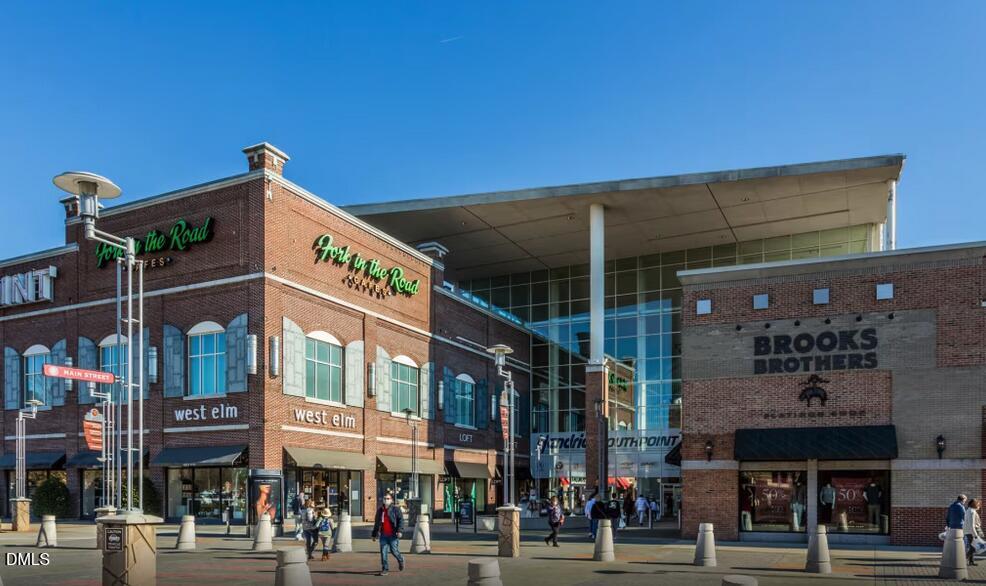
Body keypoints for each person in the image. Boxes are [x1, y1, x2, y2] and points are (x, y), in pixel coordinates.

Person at [371, 493, 405, 576]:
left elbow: (401, 520)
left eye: (388, 498)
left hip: (393, 535)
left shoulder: (396, 509)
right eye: (385, 498)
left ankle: (400, 559)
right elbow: (377, 523)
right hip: (383, 535)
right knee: (383, 552)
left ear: (391, 500)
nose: (386, 500)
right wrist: (374, 534)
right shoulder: (380, 510)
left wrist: (399, 531)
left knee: (394, 551)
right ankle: (385, 569)